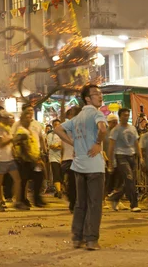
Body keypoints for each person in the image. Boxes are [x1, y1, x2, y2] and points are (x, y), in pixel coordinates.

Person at [54, 84, 107, 251]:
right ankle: (91, 239)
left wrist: (73, 143)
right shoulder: (97, 114)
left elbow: (58, 129)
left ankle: (77, 238)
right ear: (87, 98)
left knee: (80, 203)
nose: (100, 96)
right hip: (94, 166)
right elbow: (103, 128)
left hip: (78, 166)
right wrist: (98, 143)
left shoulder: (77, 118)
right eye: (96, 94)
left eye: (100, 93)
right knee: (94, 203)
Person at [107, 108, 142, 213]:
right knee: (129, 178)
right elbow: (111, 147)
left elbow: (136, 144)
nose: (126, 117)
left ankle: (115, 197)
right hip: (121, 155)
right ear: (120, 116)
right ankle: (134, 204)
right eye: (124, 115)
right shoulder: (116, 130)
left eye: (127, 115)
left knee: (129, 181)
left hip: (131, 155)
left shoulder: (132, 129)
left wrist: (141, 157)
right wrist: (110, 162)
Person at [0, 110, 26, 211]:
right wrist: (12, 138)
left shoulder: (8, 129)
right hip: (1, 159)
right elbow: (1, 143)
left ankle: (18, 202)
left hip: (10, 158)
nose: (8, 120)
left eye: (9, 118)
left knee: (17, 180)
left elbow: (11, 142)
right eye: (6, 118)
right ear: (2, 119)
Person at [13, 108, 43, 208]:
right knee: (24, 180)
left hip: (32, 158)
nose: (29, 120)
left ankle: (35, 199)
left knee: (36, 177)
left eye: (30, 118)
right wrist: (31, 158)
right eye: (26, 118)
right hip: (25, 160)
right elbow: (20, 144)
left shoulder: (29, 129)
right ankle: (22, 200)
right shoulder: (21, 131)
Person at [61, 107, 80, 213]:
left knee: (75, 182)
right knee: (74, 182)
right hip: (70, 158)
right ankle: (73, 203)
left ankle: (75, 202)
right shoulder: (68, 125)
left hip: (75, 157)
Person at [47, 119, 63, 198]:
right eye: (55, 124)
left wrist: (57, 146)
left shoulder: (63, 134)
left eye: (58, 124)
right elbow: (50, 145)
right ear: (53, 126)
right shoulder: (50, 135)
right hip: (53, 157)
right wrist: (59, 146)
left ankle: (58, 190)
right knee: (56, 173)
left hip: (63, 157)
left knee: (62, 175)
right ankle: (59, 191)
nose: (57, 126)